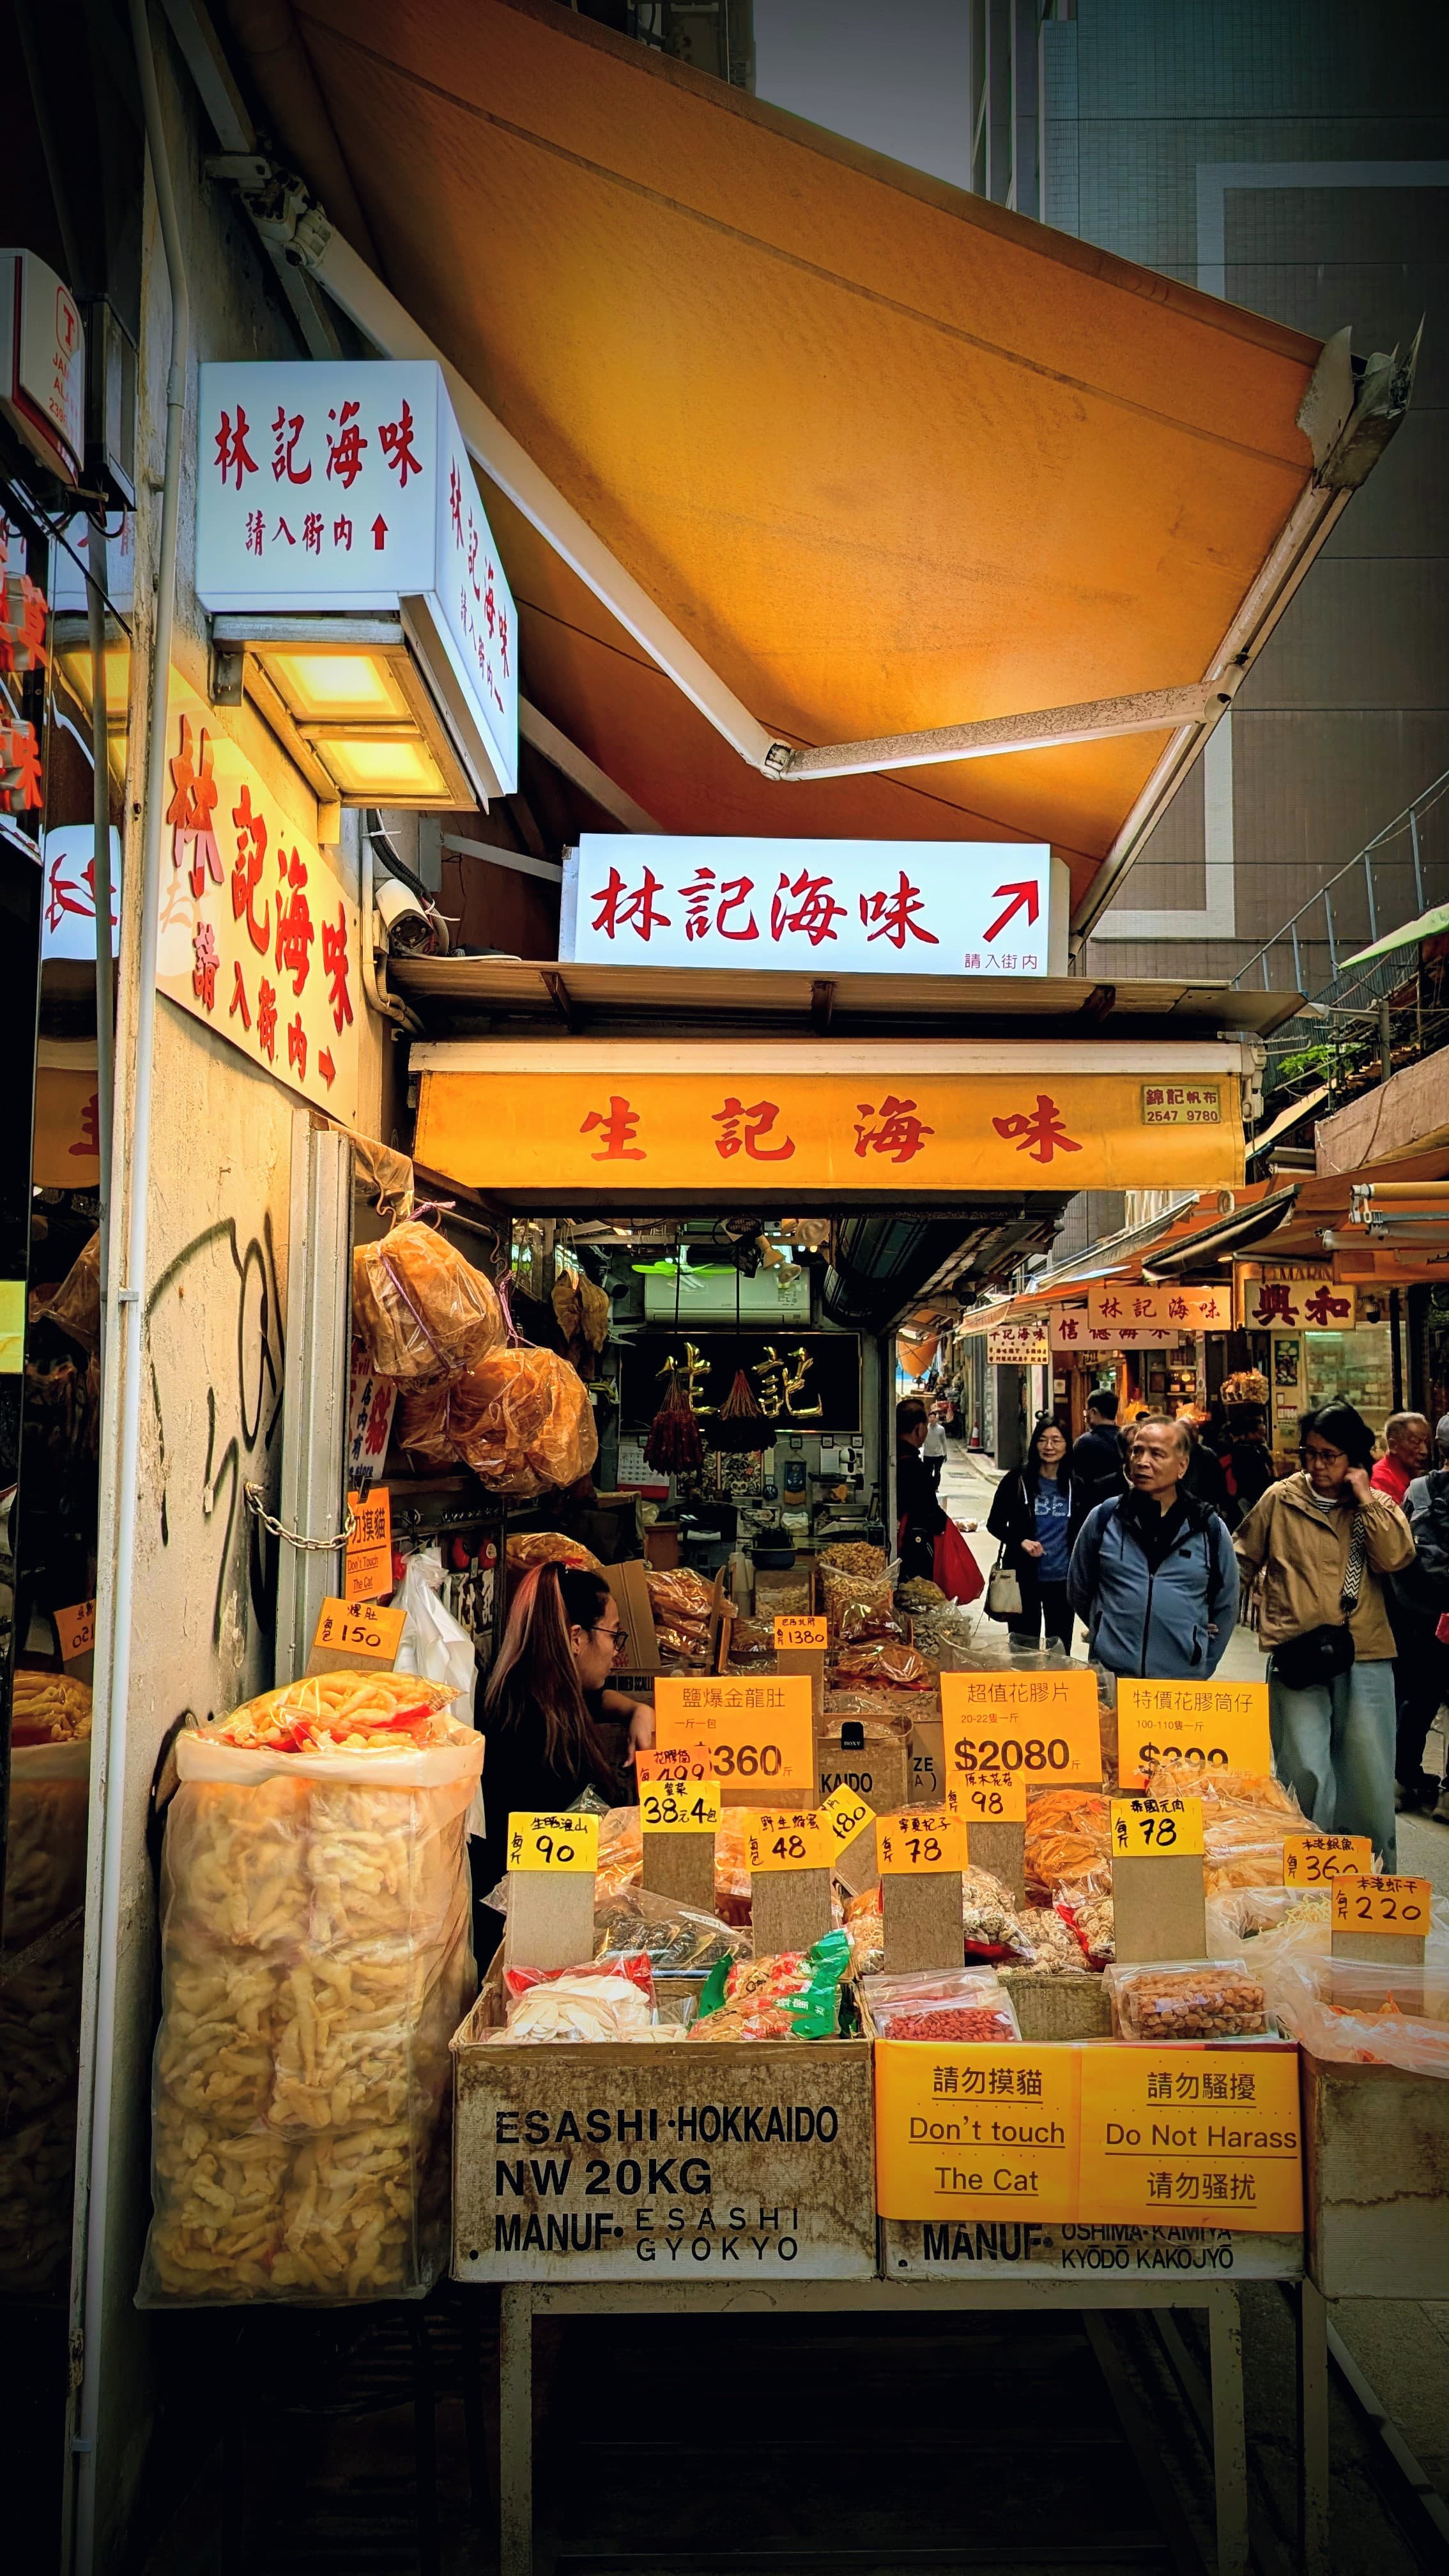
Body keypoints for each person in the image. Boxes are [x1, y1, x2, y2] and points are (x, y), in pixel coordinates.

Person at [1233, 1400, 1414, 1872]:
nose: (1316, 1465)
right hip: (1296, 1650)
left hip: (1366, 1652)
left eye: (1329, 1455)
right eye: (1309, 1453)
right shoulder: (1282, 1498)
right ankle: (1305, 1871)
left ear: (1353, 1456)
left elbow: (1396, 1557)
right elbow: (1242, 1555)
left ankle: (1372, 1878)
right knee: (1303, 1768)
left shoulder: (1377, 1503)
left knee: (1368, 1773)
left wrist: (1366, 1497)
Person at [475, 1561, 655, 1913]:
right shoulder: (531, 1729)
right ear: (577, 1639)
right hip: (527, 1921)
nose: (617, 1651)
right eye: (613, 1635)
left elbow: (597, 1699)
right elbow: (558, 1862)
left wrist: (635, 1710)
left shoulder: (539, 1688)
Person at [1068, 1414, 1239, 1680]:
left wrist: (1202, 1662)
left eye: (1157, 1454)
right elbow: (1079, 1588)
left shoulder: (1208, 1528)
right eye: (1137, 1451)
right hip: (1113, 1677)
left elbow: (1226, 1604)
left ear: (1182, 1466)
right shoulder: (1105, 1517)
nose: (1142, 1462)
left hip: (1180, 1681)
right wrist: (1103, 1629)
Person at [1393, 1412, 1449, 1819]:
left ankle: (1401, 1779)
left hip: (1422, 1616)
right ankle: (1448, 1794)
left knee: (1419, 1698)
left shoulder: (1418, 1489)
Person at [986, 1414, 1075, 1654]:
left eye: (1057, 1440)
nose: (1049, 1447)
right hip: (1024, 1579)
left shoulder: (1076, 1484)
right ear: (1035, 1444)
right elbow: (994, 1524)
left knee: (1060, 1651)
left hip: (1062, 1581)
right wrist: (1020, 1541)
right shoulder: (1017, 1479)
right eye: (1043, 1440)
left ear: (1067, 1445)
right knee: (1023, 1652)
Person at [896, 1395, 949, 1582]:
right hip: (912, 1554)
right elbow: (933, 1517)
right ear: (918, 1429)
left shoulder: (892, 1459)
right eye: (925, 1426)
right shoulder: (915, 1468)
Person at [1213, 1400, 1276, 1533]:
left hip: (1239, 1502)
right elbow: (1259, 1480)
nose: (1263, 1436)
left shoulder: (1251, 1449)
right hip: (1246, 1501)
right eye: (1260, 1433)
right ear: (1248, 1434)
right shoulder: (1247, 1452)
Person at [1070, 1390, 1125, 1535]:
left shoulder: (1084, 1442)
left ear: (1093, 1412)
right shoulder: (1126, 1439)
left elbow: (1076, 1484)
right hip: (1124, 1511)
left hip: (1092, 1512)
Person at [1371, 1411, 1430, 1508]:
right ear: (1393, 1446)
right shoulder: (1380, 1479)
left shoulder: (1415, 1474)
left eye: (1426, 1443)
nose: (1424, 1451)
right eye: (1416, 1443)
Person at [921, 1397, 949, 1494]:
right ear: (929, 1418)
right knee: (928, 1473)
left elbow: (944, 1442)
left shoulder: (941, 1429)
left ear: (936, 1418)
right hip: (928, 1455)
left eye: (934, 1417)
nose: (932, 1419)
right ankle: (929, 1487)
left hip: (938, 1455)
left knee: (937, 1473)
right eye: (931, 1417)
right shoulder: (926, 1429)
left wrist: (945, 1453)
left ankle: (936, 1487)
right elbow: (922, 1440)